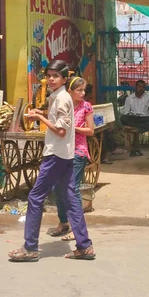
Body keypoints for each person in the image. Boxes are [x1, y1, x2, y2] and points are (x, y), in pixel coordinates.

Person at [8, 60, 95, 262]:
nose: (51, 79)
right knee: (71, 198)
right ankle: (85, 246)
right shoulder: (59, 97)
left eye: (56, 76)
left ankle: (30, 247)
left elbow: (61, 130)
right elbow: (60, 121)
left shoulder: (62, 98)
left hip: (56, 154)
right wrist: (42, 113)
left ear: (65, 79)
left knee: (35, 197)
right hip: (65, 154)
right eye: (49, 75)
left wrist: (40, 119)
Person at [47, 77, 94, 241]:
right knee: (57, 188)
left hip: (78, 151)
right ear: (70, 91)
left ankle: (77, 229)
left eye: (83, 90)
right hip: (61, 150)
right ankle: (63, 222)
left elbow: (90, 130)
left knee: (72, 190)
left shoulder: (86, 107)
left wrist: (74, 128)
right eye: (79, 90)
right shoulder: (63, 104)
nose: (82, 93)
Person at [120, 80, 149, 157]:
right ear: (136, 87)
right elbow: (126, 112)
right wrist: (130, 116)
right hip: (134, 118)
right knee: (123, 118)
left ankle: (136, 129)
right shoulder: (129, 98)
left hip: (145, 118)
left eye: (143, 87)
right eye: (139, 86)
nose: (141, 88)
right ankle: (139, 128)